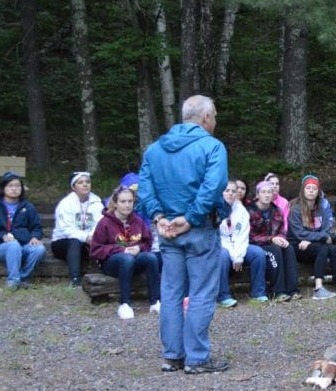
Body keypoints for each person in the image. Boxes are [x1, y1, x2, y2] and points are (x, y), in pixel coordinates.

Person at [138, 94, 230, 374]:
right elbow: (213, 186)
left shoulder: (154, 150)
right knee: (202, 293)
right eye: (213, 116)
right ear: (205, 118)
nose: (214, 121)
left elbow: (145, 187)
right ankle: (197, 358)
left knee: (171, 292)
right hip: (199, 229)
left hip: (168, 232)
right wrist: (190, 218)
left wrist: (158, 217)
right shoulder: (212, 147)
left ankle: (173, 355)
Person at [91, 188, 161, 319]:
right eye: (123, 201)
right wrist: (122, 250)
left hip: (135, 259)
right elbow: (96, 249)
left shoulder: (138, 221)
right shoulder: (105, 222)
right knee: (126, 259)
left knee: (151, 257)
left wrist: (139, 248)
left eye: (130, 201)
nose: (127, 205)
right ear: (115, 203)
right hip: (112, 263)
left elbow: (147, 242)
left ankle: (155, 301)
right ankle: (125, 303)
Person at [288, 175, 336, 299]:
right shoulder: (295, 210)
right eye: (308, 188)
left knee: (333, 249)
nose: (311, 191)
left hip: (313, 243)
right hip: (299, 245)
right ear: (303, 191)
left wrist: (316, 238)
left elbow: (327, 229)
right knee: (324, 248)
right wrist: (320, 237)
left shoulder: (321, 208)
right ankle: (318, 289)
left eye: (314, 189)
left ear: (318, 192)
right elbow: (299, 233)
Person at [0, 172, 47, 289]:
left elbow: (37, 227)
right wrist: (2, 236)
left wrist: (35, 237)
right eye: (10, 185)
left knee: (40, 249)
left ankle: (23, 277)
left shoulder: (27, 206)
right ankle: (13, 281)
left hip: (24, 244)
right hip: (2, 247)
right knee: (13, 245)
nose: (14, 188)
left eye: (17, 186)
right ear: (3, 188)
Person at [216, 180, 269, 307]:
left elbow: (243, 237)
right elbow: (219, 239)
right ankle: (223, 296)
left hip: (239, 248)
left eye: (233, 191)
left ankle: (258, 293)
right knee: (222, 255)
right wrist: (234, 255)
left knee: (258, 253)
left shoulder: (242, 211)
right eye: (227, 191)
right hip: (222, 248)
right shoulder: (215, 210)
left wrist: (238, 256)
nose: (230, 194)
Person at [247, 181, 301, 302]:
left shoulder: (277, 210)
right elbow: (249, 236)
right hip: (255, 245)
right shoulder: (249, 211)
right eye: (263, 192)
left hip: (274, 242)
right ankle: (277, 291)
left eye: (269, 192)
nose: (267, 195)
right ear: (257, 194)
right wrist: (271, 239)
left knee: (288, 248)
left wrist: (282, 239)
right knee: (275, 251)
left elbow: (281, 230)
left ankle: (292, 290)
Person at [51, 171, 104, 287]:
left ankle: (103, 274)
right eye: (81, 183)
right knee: (74, 242)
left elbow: (100, 223)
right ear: (73, 187)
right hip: (63, 242)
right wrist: (86, 237)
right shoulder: (65, 204)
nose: (85, 185)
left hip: (89, 241)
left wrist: (92, 236)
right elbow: (67, 230)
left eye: (87, 182)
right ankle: (75, 280)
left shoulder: (97, 203)